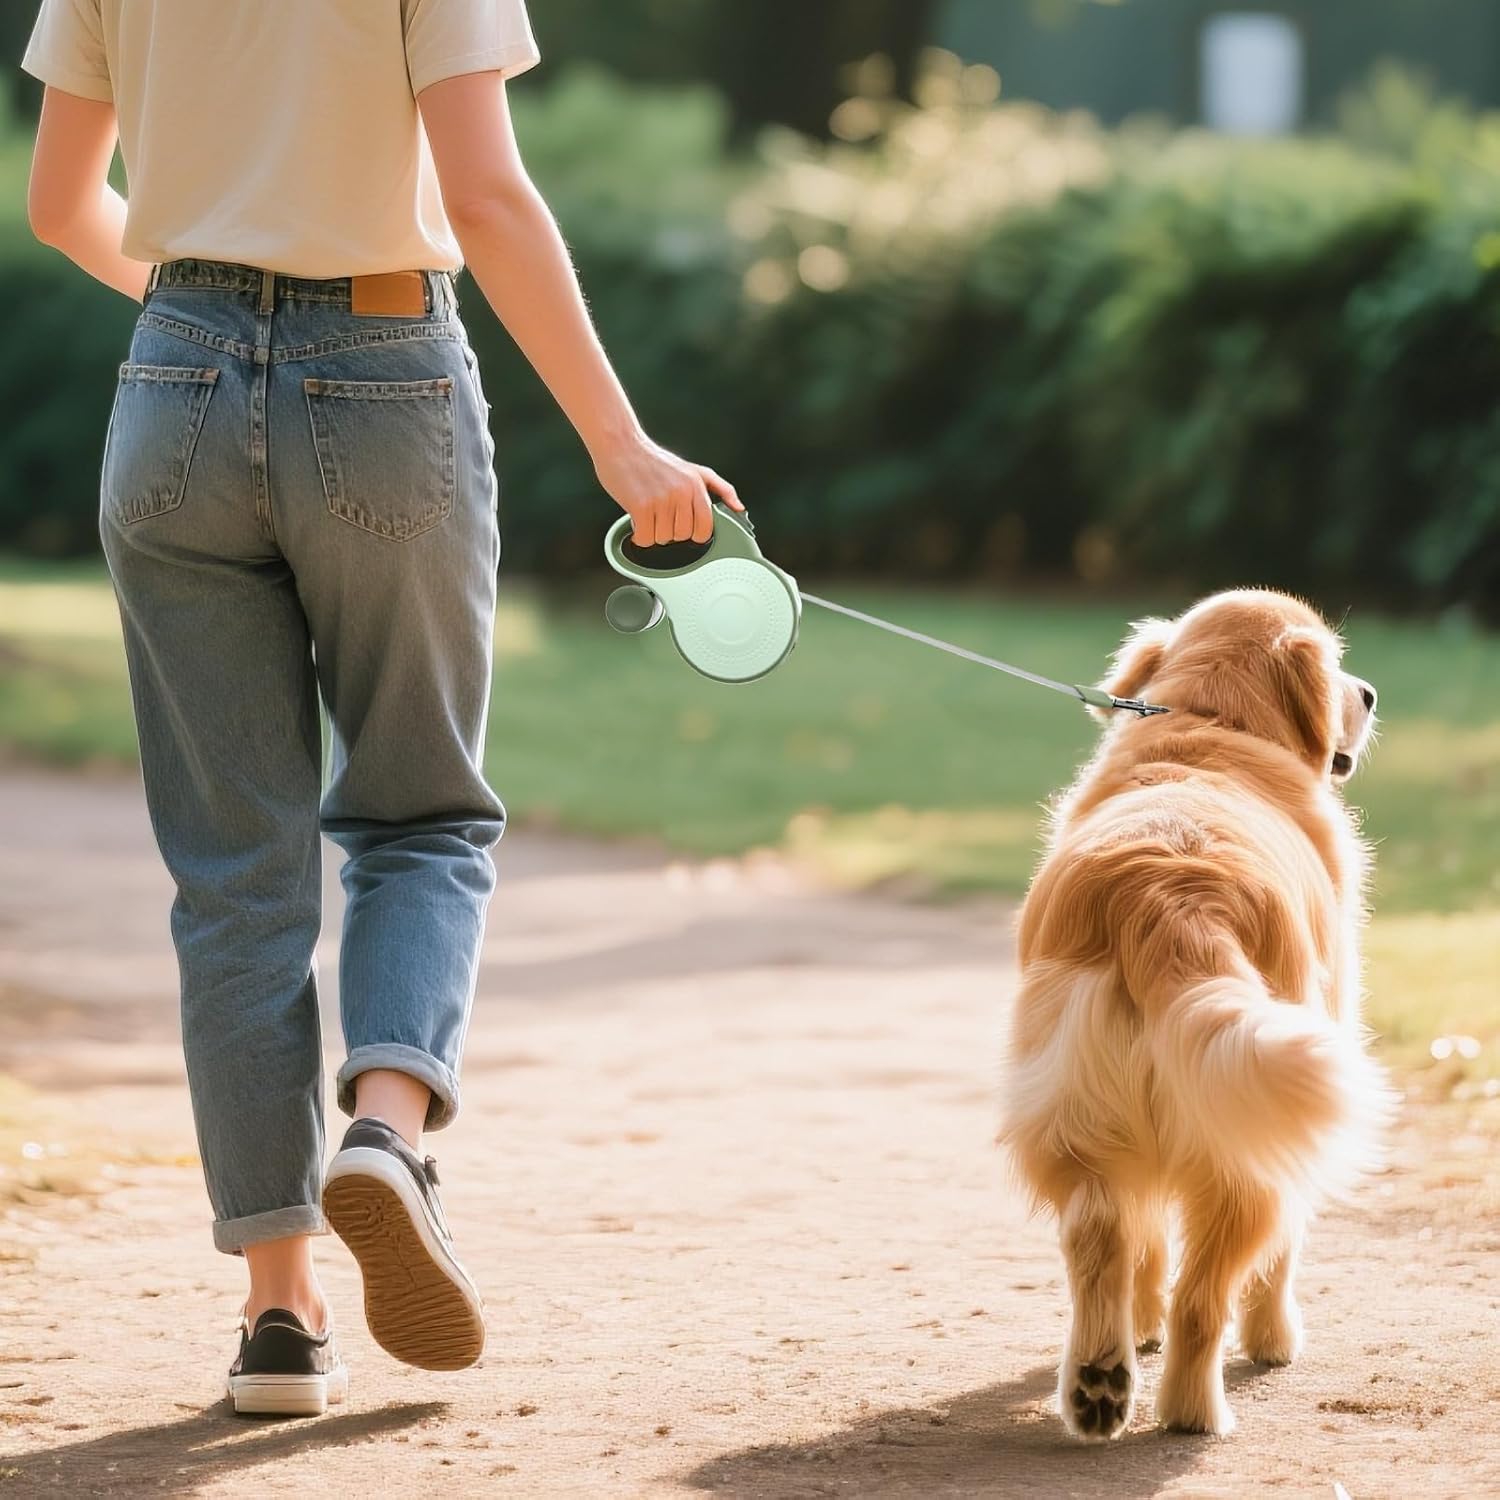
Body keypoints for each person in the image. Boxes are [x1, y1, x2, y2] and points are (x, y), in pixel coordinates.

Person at [21, 0, 741, 1418]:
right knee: (420, 815)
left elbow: (59, 204)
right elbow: (484, 188)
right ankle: (388, 1134)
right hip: (383, 366)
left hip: (170, 380)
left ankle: (278, 1319)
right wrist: (620, 440)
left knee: (235, 879)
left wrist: (204, 322)